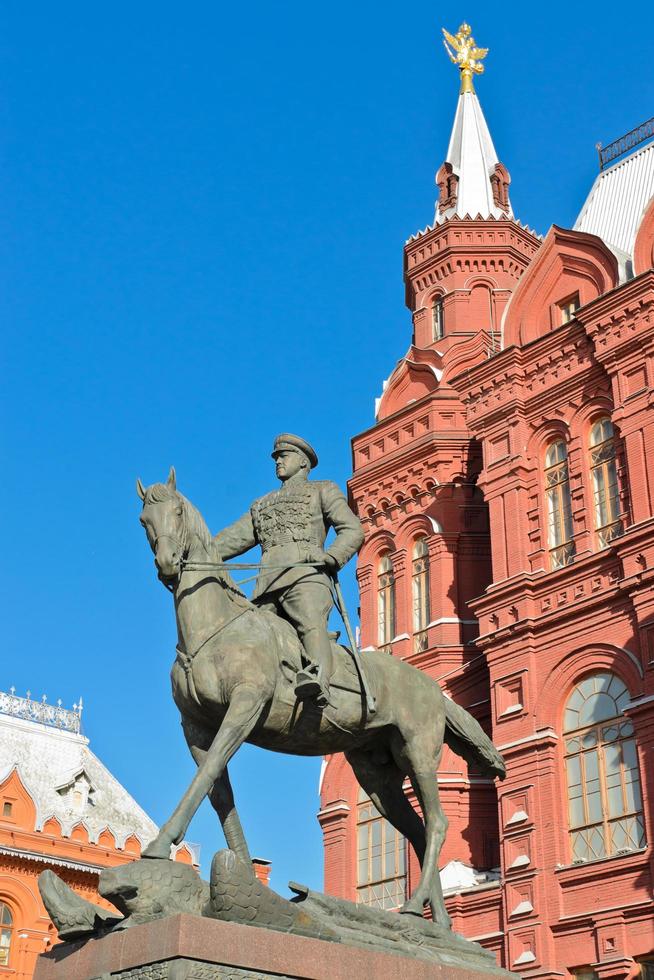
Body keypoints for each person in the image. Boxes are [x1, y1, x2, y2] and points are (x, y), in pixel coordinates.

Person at [214, 433, 364, 705]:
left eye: (284, 456)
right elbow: (233, 538)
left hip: (305, 577)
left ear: (303, 462)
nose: (278, 462)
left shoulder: (323, 490)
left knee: (310, 622)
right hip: (267, 587)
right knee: (248, 636)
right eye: (276, 458)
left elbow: (352, 529)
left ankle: (319, 679)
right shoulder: (262, 504)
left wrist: (331, 556)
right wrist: (197, 551)